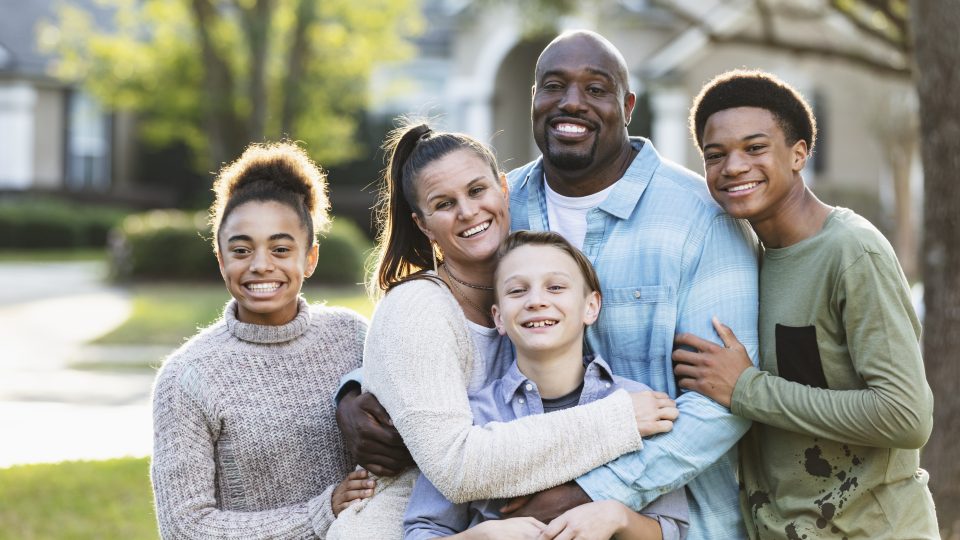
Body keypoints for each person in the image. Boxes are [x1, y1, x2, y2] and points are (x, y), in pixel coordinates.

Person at [327, 124, 679, 540]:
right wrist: (619, 420)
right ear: (423, 225)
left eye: (477, 191)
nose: (468, 212)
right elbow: (457, 469)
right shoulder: (418, 307)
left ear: (504, 189)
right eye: (444, 203)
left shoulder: (526, 281)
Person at [500, 30, 759, 538]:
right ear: (534, 99)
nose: (571, 102)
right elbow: (438, 313)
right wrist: (359, 390)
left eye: (596, 89)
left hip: (671, 522)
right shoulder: (499, 207)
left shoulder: (701, 219)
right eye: (554, 86)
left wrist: (595, 489)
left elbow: (722, 405)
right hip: (512, 510)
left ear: (628, 105)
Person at [673, 69, 938, 539]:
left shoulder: (852, 252)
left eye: (755, 148)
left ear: (798, 154)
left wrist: (747, 390)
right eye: (716, 155)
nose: (733, 166)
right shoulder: (741, 259)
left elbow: (906, 416)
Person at [150, 142, 373, 539]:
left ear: (310, 258)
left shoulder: (353, 336)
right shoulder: (187, 378)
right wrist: (320, 514)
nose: (260, 265)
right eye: (241, 249)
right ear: (221, 259)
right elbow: (185, 528)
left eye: (281, 248)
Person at [404, 230, 688, 540]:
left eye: (555, 287)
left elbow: (671, 530)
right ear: (498, 318)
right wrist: (482, 536)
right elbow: (421, 531)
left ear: (591, 306)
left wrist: (617, 516)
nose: (536, 301)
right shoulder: (475, 418)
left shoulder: (637, 403)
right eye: (517, 291)